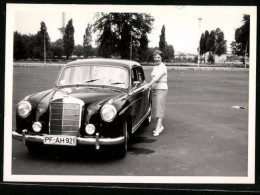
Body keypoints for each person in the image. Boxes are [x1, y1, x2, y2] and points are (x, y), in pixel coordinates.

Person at [145, 50, 168, 136]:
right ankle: (161, 126)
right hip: (155, 90)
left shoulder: (163, 67)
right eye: (155, 57)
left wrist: (148, 85)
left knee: (160, 108)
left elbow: (156, 78)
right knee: (155, 109)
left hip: (161, 89)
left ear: (161, 58)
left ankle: (158, 128)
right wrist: (151, 86)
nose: (156, 59)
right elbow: (154, 77)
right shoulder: (156, 67)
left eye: (158, 57)